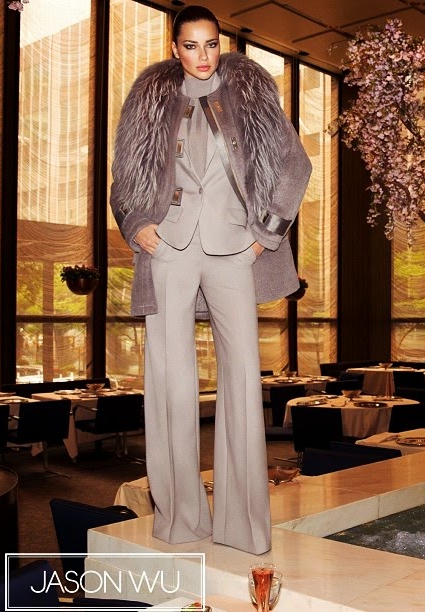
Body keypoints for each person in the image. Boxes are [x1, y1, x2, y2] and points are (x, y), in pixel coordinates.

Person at [110, 5, 311, 555]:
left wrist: (265, 234)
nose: (203, 55)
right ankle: (179, 520)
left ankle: (243, 526)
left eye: (211, 43)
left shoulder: (251, 91)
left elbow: (295, 165)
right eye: (191, 45)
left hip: (233, 249)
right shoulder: (149, 97)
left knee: (243, 377)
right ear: (174, 47)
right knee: (169, 381)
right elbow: (124, 173)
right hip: (169, 246)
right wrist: (136, 223)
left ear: (221, 43)